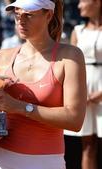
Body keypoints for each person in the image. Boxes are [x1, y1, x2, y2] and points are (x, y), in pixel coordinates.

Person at [0, 0, 87, 169]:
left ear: (48, 15)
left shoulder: (70, 57)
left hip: (46, 162)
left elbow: (75, 120)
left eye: (29, 15)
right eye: (17, 14)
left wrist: (19, 106)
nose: (20, 20)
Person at [64, 0, 102, 169]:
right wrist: (78, 93)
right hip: (84, 92)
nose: (78, 5)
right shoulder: (77, 31)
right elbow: (72, 66)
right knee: (87, 146)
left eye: (83, 1)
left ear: (98, 3)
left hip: (100, 90)